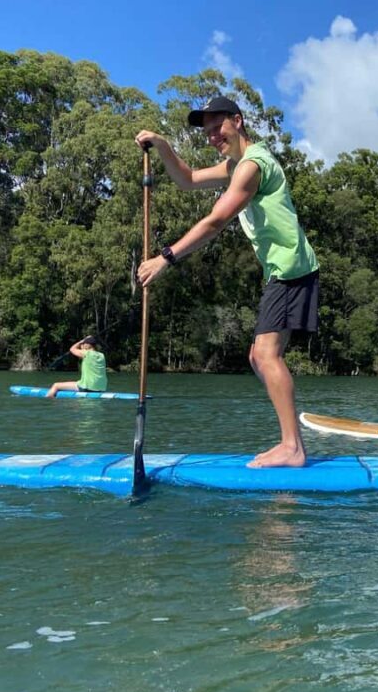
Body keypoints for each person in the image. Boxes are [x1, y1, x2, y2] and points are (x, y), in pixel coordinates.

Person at [135, 96, 319, 468]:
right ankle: (291, 443)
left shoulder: (252, 166)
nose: (212, 136)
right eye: (206, 132)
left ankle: (293, 448)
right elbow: (187, 180)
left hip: (291, 269)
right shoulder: (235, 165)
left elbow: (216, 221)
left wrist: (165, 257)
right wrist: (163, 144)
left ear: (238, 121)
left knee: (266, 355)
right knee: (258, 356)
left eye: (217, 128)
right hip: (281, 270)